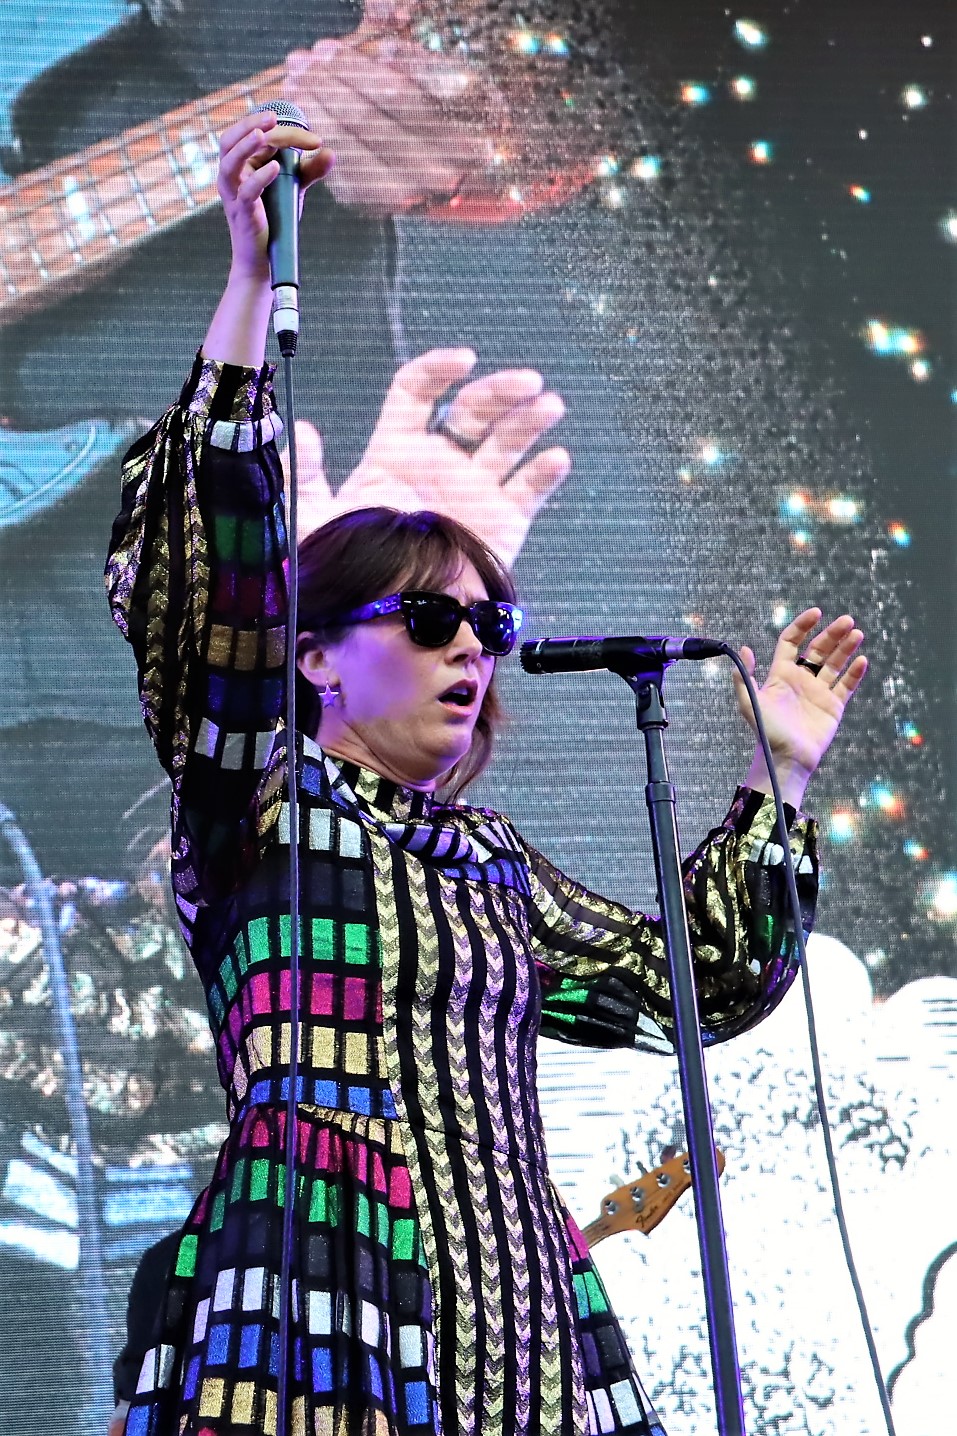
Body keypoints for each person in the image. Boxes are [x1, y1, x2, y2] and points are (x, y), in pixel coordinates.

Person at [104, 110, 866, 1435]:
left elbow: (694, 985)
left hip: (515, 1326)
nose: (469, 649)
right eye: (426, 618)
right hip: (318, 1311)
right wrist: (247, 283)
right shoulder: (262, 802)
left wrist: (778, 778)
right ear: (315, 658)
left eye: (486, 625)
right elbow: (209, 597)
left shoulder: (490, 865)